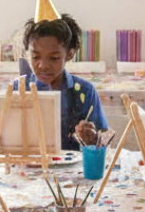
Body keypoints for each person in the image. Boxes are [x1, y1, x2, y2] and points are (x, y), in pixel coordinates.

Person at [17, 12, 107, 152]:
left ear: (70, 54)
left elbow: (103, 143)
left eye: (54, 58)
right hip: (30, 169)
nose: (43, 65)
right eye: (35, 57)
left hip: (75, 171)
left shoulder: (84, 91)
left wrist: (92, 139)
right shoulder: (19, 88)